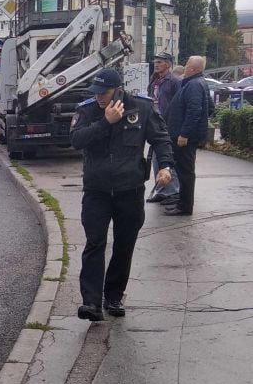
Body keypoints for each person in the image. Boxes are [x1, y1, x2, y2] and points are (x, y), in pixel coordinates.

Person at [70, 68, 174, 321]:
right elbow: (76, 140)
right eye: (96, 93)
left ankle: (114, 295)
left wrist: (166, 166)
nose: (99, 98)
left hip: (130, 188)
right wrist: (106, 121)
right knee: (95, 242)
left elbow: (161, 138)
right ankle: (92, 302)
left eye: (104, 93)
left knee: (124, 243)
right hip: (97, 190)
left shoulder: (142, 107)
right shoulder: (87, 110)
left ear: (119, 89)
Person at [164, 55, 210, 216]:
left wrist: (185, 134)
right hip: (183, 135)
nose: (185, 66)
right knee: (184, 170)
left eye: (188, 64)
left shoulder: (194, 85)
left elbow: (194, 111)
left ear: (194, 69)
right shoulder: (196, 83)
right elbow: (209, 108)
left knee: (185, 172)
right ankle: (182, 202)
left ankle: (184, 206)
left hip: (184, 138)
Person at [146, 52, 181, 204]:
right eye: (156, 61)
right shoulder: (155, 80)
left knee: (166, 158)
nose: (156, 64)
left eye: (160, 62)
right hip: (155, 123)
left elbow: (178, 104)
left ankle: (172, 192)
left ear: (168, 64)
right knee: (155, 158)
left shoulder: (174, 81)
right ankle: (162, 188)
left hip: (168, 125)